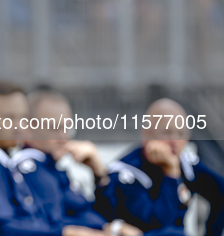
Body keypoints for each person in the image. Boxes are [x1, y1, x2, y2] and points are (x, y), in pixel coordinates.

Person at [0, 81, 106, 236]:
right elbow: (2, 228)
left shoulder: (5, 164)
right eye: (9, 118)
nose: (19, 126)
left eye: (22, 117)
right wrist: (65, 233)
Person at [12, 89, 141, 236]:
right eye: (55, 128)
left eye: (67, 128)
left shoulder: (52, 169)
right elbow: (53, 222)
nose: (63, 137)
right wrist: (108, 230)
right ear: (28, 129)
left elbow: (97, 214)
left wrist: (99, 175)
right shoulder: (31, 168)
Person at [95, 98, 224, 236]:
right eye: (167, 132)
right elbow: (159, 224)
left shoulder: (185, 163)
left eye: (181, 134)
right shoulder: (126, 173)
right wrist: (171, 173)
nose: (174, 141)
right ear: (146, 134)